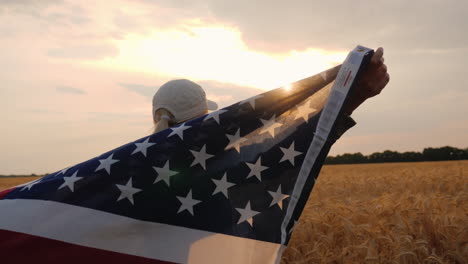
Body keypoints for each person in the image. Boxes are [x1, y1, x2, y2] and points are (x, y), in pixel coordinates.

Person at [152, 47, 389, 133]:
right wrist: (354, 94)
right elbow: (304, 139)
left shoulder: (128, 167)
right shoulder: (217, 160)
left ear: (155, 116)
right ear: (205, 116)